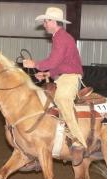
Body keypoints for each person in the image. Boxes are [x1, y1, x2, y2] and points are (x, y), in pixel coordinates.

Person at [23, 7, 86, 166]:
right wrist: (47, 74)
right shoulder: (60, 37)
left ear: (53, 22)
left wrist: (35, 64)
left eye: (46, 21)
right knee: (44, 100)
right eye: (44, 21)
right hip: (64, 76)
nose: (44, 24)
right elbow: (60, 64)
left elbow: (53, 61)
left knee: (62, 98)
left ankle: (79, 142)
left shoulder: (61, 38)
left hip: (71, 77)